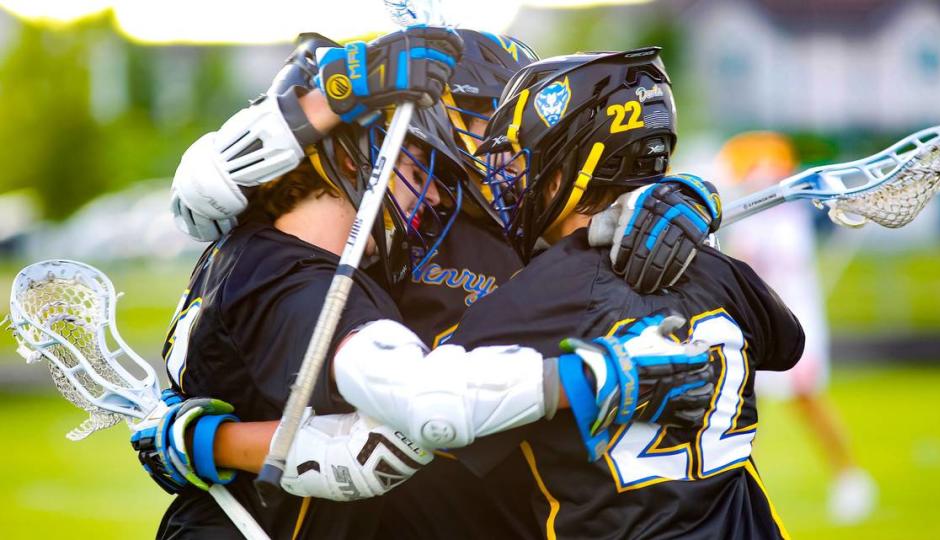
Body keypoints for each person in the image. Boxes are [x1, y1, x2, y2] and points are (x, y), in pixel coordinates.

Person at [134, 28, 715, 539]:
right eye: (484, 117)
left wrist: (675, 196)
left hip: (513, 509)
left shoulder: (516, 219)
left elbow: (632, 254)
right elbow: (205, 190)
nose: (508, 140)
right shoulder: (379, 226)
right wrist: (346, 86)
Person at [360, 47, 803, 538]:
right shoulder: (721, 271)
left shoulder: (536, 297)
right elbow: (787, 343)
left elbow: (432, 416)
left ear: (571, 161)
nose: (511, 180)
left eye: (525, 160)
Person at [717, 131, 877, 525]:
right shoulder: (758, 218)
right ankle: (733, 489)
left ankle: (850, 477)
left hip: (793, 323)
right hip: (759, 325)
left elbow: (763, 263)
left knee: (807, 402)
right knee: (738, 407)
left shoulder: (785, 218)